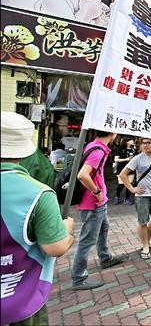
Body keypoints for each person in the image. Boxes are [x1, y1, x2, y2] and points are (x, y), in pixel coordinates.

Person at [1, 112, 75, 324]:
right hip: (20, 301)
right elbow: (55, 247)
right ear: (23, 151)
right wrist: (67, 228)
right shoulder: (39, 193)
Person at [72, 129, 128, 290]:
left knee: (104, 228)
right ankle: (78, 277)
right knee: (87, 239)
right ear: (113, 133)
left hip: (98, 202)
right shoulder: (98, 151)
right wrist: (97, 192)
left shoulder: (93, 145)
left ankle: (105, 257)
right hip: (93, 203)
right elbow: (83, 175)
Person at [114, 137, 137, 205]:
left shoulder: (134, 149)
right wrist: (126, 159)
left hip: (131, 169)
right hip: (121, 169)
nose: (132, 141)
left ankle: (127, 199)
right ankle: (117, 197)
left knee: (129, 184)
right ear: (126, 142)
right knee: (121, 184)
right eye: (131, 140)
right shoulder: (120, 149)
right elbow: (116, 159)